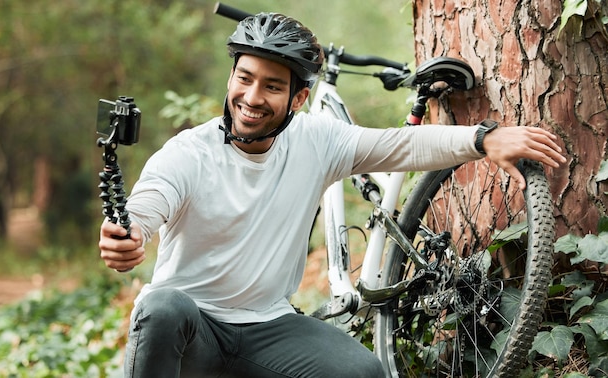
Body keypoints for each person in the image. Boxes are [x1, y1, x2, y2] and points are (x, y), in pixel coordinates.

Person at [99, 12, 567, 378]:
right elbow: (147, 203)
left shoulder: (316, 141)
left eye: (272, 86)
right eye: (244, 78)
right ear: (231, 78)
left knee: (361, 371)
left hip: (268, 328)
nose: (251, 96)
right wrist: (130, 233)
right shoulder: (188, 153)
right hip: (192, 335)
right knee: (161, 306)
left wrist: (484, 139)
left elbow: (398, 145)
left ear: (298, 99)